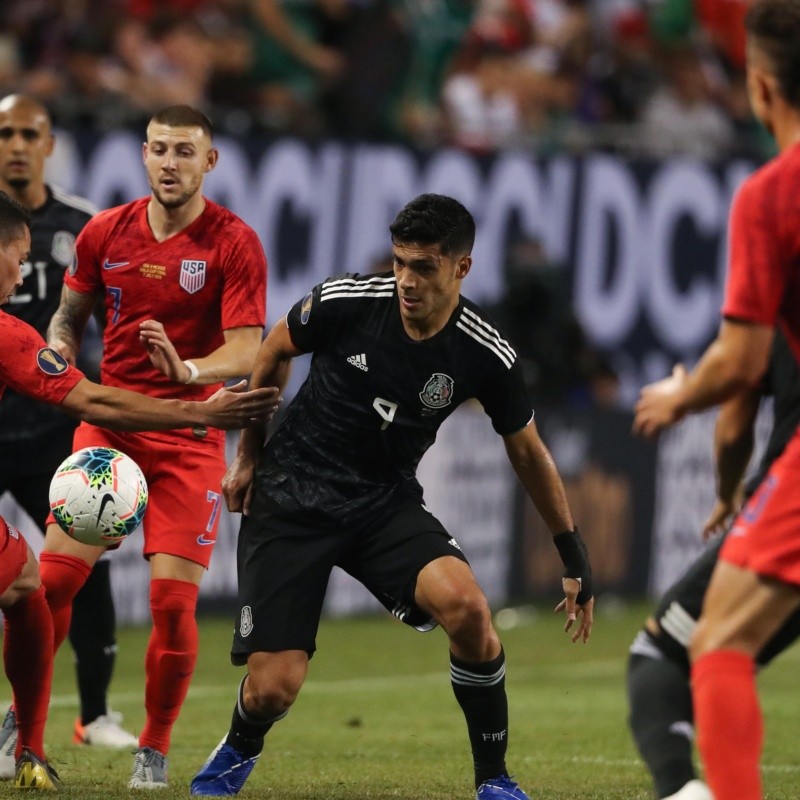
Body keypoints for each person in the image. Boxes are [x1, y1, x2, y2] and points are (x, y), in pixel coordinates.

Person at [189, 193, 594, 800]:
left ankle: (495, 780)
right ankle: (238, 748)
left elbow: (528, 450)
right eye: (400, 262)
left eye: (424, 267)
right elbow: (273, 349)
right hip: (293, 495)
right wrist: (249, 455)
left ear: (462, 268)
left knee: (470, 610)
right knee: (274, 687)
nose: (406, 280)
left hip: (382, 502)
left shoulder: (486, 351)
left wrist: (572, 552)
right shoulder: (346, 302)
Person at [0, 190, 277, 788]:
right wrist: (63, 347)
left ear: (207, 162)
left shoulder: (234, 241)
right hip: (117, 425)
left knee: (167, 606)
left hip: (186, 442)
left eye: (183, 148)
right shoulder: (102, 234)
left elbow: (250, 346)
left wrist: (192, 379)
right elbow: (76, 347)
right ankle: (26, 734)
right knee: (42, 583)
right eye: (18, 259)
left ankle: (151, 746)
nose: (24, 275)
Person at [632, 3, 800, 797]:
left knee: (717, 641)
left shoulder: (772, 195)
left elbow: (740, 361)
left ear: (761, 88)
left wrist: (677, 395)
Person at [0, 94, 138, 775]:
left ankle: (94, 712)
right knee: (22, 582)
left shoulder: (83, 223)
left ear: (50, 142)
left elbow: (109, 318)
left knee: (83, 555)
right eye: (5, 134)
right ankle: (24, 736)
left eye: (30, 133)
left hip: (50, 421)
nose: (17, 145)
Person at [628, 331, 800, 800]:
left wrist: (683, 395)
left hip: (789, 507)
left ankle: (680, 788)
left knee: (671, 652)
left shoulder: (777, 292)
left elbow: (733, 412)